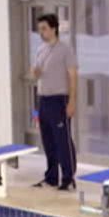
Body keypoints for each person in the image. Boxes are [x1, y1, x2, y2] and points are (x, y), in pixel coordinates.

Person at [28, 13, 78, 191]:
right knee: (48, 140)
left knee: (62, 140)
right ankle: (51, 177)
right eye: (39, 29)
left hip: (59, 99)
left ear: (54, 29)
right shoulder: (40, 49)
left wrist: (72, 101)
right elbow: (36, 73)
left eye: (44, 29)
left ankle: (68, 178)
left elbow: (73, 76)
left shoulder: (65, 50)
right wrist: (34, 73)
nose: (41, 32)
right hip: (43, 99)